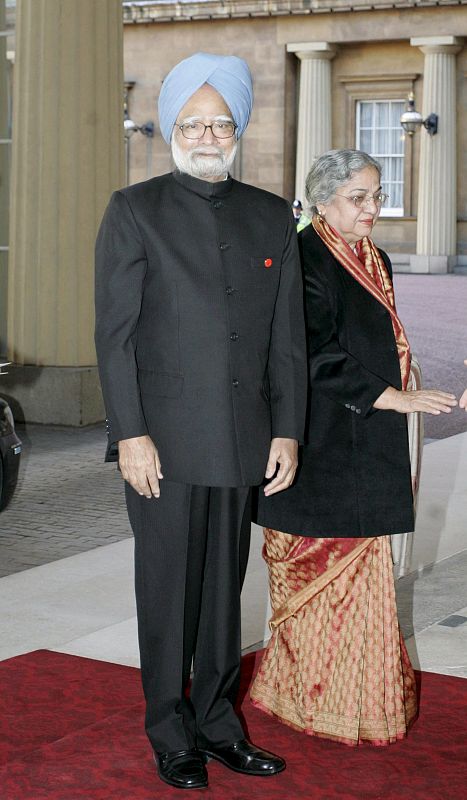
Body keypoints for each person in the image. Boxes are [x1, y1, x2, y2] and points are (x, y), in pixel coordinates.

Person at [94, 52, 307, 790]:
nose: (208, 133)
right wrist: (130, 435)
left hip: (244, 438)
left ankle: (219, 726)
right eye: (194, 121)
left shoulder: (271, 214)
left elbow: (287, 338)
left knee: (223, 597)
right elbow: (114, 338)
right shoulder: (133, 210)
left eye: (221, 121)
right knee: (166, 591)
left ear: (238, 127)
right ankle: (169, 731)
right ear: (172, 128)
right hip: (164, 445)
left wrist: (287, 430)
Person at [251, 149, 457, 746]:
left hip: (368, 442)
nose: (373, 208)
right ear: (322, 202)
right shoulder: (303, 257)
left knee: (367, 576)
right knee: (318, 576)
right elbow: (308, 354)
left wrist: (404, 392)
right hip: (315, 446)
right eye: (358, 198)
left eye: (376, 194)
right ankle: (304, 698)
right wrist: (389, 396)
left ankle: (358, 699)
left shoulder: (375, 255)